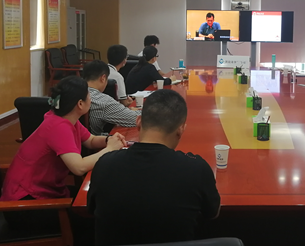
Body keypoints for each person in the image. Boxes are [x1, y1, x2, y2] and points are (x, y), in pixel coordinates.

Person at [87, 90, 221, 246]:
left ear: (138, 122)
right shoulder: (197, 169)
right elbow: (212, 213)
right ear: (181, 129)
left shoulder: (104, 165)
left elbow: (91, 210)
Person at [1, 76, 126, 202]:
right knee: (99, 201)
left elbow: (90, 140)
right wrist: (110, 149)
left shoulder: (66, 119)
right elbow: (79, 167)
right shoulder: (58, 127)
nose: (91, 99)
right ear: (80, 104)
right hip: (26, 198)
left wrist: (108, 140)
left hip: (47, 189)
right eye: (89, 96)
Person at [83, 60, 140, 135]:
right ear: (103, 78)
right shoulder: (103, 101)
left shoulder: (74, 92)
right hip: (98, 140)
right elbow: (136, 119)